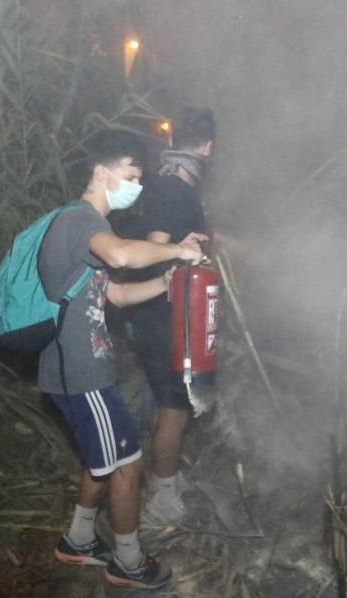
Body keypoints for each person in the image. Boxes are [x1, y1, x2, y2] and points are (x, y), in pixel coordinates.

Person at [39, 129, 207, 589]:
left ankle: (78, 539)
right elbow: (121, 255)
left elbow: (113, 294)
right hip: (79, 373)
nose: (136, 186)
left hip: (82, 369)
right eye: (131, 176)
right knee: (127, 462)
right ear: (102, 172)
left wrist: (165, 281)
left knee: (102, 459)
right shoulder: (80, 220)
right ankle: (129, 562)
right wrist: (178, 248)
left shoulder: (89, 228)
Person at [124, 107, 216, 523]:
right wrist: (177, 257)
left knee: (170, 403)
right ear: (208, 146)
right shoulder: (172, 189)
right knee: (175, 408)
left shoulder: (170, 185)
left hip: (169, 312)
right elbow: (156, 243)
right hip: (164, 316)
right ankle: (161, 501)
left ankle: (166, 479)